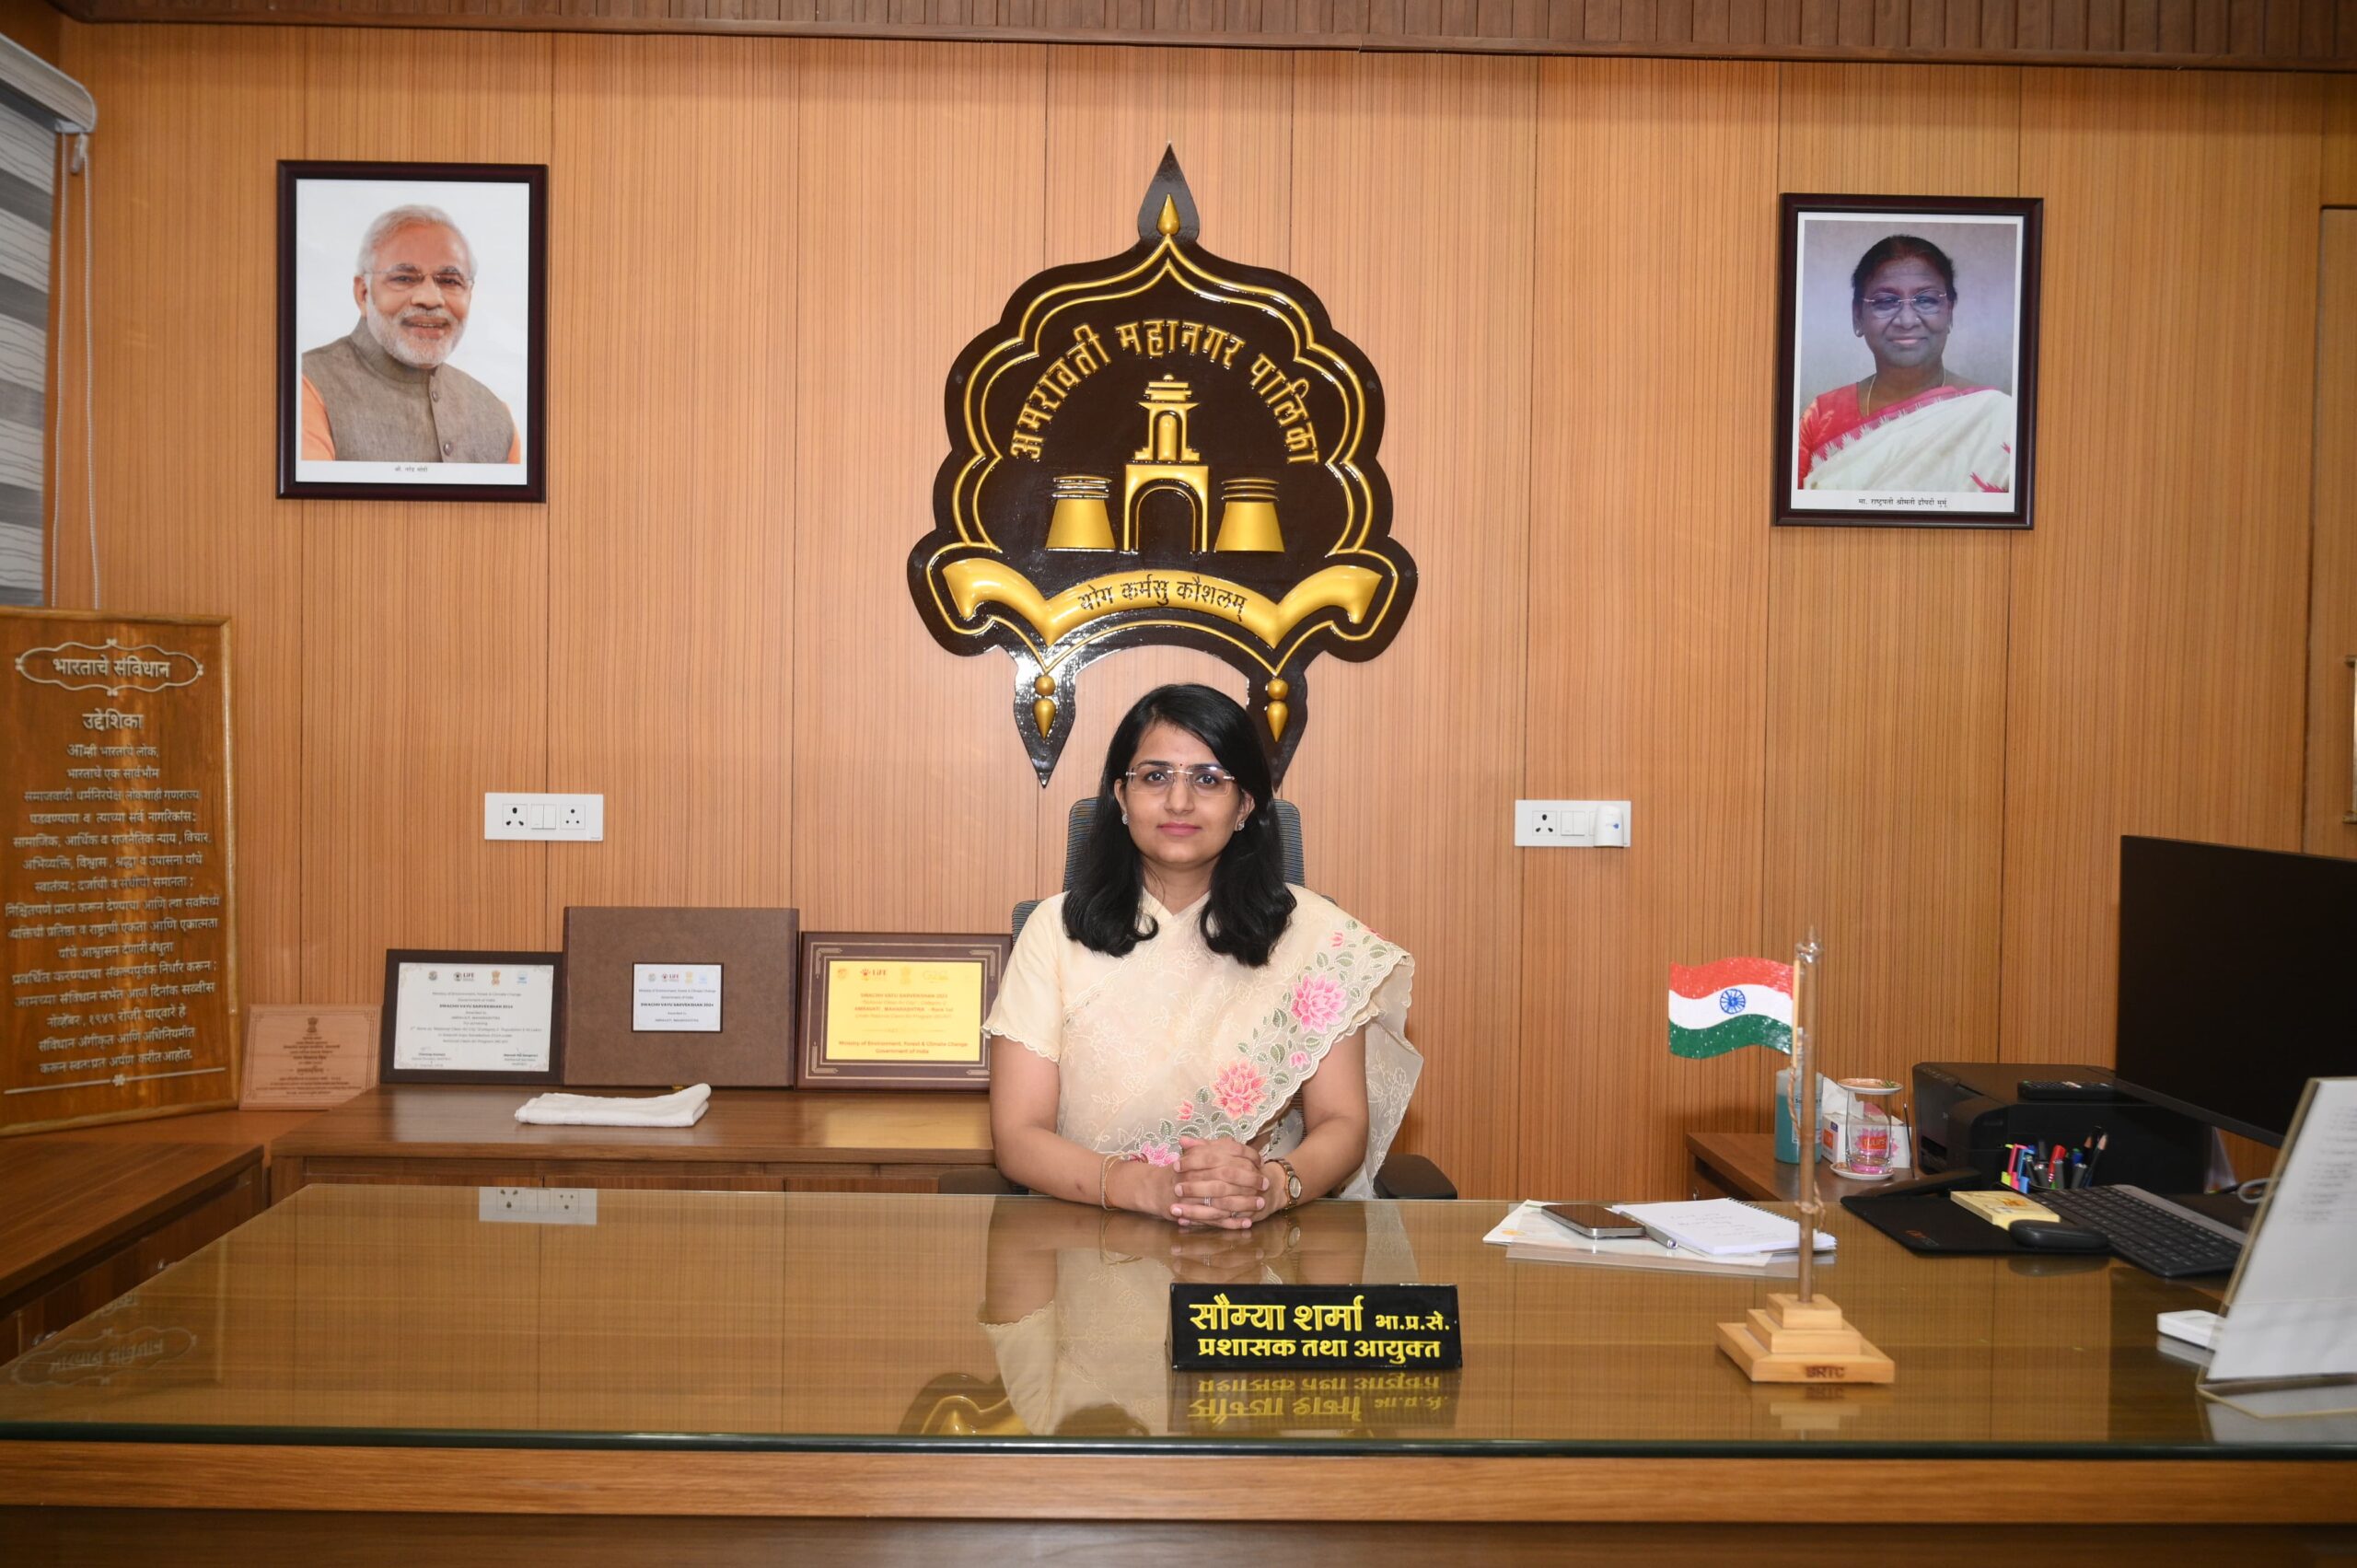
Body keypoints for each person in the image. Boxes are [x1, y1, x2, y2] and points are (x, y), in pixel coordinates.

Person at [985, 683, 1417, 1227]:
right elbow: (1018, 1137)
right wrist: (1150, 1187)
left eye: (1209, 779)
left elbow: (1342, 1123)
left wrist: (1270, 1188)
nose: (1179, 801)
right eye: (1155, 776)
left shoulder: (1315, 937)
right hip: (1085, 1226)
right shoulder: (1054, 931)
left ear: (1245, 805)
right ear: (1121, 797)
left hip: (1262, 1233)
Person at [299, 204, 521, 464]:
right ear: (363, 293)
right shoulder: (305, 386)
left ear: (469, 296)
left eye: (450, 281)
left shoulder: (496, 417)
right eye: (404, 278)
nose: (430, 298)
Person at [1796, 234, 2014, 494]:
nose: (1907, 321)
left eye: (1926, 300)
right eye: (1885, 301)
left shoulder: (1999, 418)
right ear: (1857, 316)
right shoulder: (1821, 417)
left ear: (1949, 312)